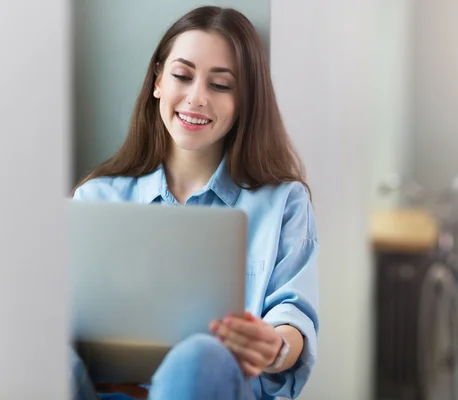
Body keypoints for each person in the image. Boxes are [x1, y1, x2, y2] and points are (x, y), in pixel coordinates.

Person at [70, 6, 319, 400]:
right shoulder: (94, 199)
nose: (196, 98)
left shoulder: (283, 203)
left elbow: (293, 317)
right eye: (182, 76)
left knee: (203, 354)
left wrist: (274, 346)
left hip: (213, 386)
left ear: (244, 101)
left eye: (221, 85)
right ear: (157, 82)